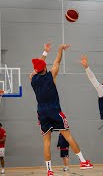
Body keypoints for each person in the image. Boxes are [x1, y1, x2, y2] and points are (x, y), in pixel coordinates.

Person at [30, 43, 93, 176]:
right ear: (44, 68)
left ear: (36, 69)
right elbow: (57, 61)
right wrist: (59, 49)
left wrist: (45, 53)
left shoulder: (32, 79)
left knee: (46, 142)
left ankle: (49, 170)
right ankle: (83, 162)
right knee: (68, 136)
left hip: (42, 113)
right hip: (54, 110)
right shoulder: (51, 75)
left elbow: (39, 65)